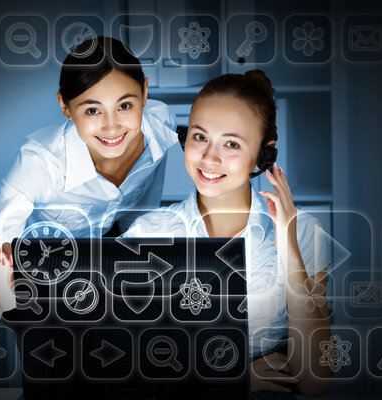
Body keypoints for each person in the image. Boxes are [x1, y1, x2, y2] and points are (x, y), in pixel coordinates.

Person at [124, 71, 333, 397]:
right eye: (200, 137)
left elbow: (316, 380)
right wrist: (230, 378)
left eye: (232, 143)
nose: (209, 157)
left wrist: (288, 247)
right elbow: (125, 363)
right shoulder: (147, 233)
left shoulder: (305, 233)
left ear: (264, 154)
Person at [0, 36, 178, 330]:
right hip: (47, 277)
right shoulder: (39, 164)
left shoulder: (161, 125)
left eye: (124, 105)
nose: (112, 127)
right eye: (92, 110)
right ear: (65, 106)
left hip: (115, 263)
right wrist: (0, 298)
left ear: (145, 92)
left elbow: (143, 209)